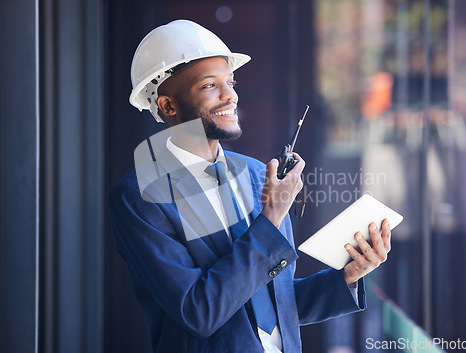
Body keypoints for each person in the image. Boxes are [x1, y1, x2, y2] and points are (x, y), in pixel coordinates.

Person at [108, 19, 391, 353]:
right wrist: (271, 217)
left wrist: (348, 276)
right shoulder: (140, 198)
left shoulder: (258, 175)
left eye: (230, 81)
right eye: (210, 85)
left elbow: (273, 302)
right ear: (168, 106)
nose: (231, 95)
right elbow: (199, 312)